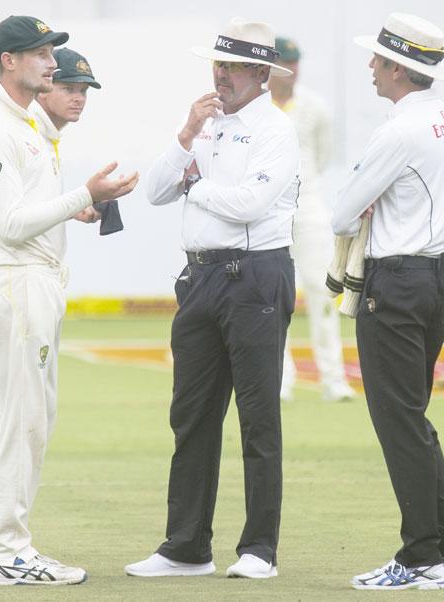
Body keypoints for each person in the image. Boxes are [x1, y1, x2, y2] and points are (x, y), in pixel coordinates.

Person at [0, 15, 138, 586]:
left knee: (6, 417)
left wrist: (75, 207)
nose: (52, 62)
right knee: (25, 421)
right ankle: (11, 551)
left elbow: (25, 210)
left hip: (21, 277)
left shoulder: (23, 123)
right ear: (9, 61)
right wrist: (86, 193)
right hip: (15, 282)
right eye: (39, 53)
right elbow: (11, 224)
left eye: (51, 51)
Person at [124, 17, 299, 580]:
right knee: (191, 415)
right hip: (200, 279)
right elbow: (153, 191)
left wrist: (196, 183)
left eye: (229, 66)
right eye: (215, 65)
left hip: (254, 277)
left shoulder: (276, 128)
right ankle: (186, 547)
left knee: (257, 416)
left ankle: (259, 550)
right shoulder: (204, 122)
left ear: (259, 73)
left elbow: (249, 204)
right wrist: (184, 140)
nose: (219, 75)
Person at [332, 13, 444, 590]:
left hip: (396, 282)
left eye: (378, 59)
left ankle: (420, 557)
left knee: (398, 422)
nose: (370, 66)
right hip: (438, 277)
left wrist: (368, 201)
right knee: (412, 417)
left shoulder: (398, 129)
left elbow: (344, 211)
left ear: (398, 67)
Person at [268, 37, 355, 403]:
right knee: (276, 296)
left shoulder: (315, 107)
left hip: (308, 208)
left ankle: (333, 379)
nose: (291, 69)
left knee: (321, 292)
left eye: (295, 61)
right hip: (268, 213)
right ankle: (282, 379)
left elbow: (321, 158)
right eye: (284, 62)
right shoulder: (257, 108)